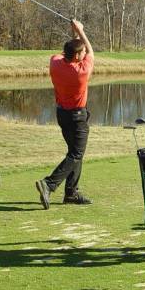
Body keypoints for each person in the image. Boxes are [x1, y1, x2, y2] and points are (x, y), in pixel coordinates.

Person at [36, 19, 94, 209]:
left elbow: (69, 52)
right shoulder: (82, 72)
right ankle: (49, 184)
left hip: (62, 115)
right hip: (77, 117)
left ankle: (71, 193)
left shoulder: (55, 63)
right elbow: (91, 52)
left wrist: (75, 35)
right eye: (82, 52)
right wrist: (81, 32)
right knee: (77, 153)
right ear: (77, 56)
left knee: (74, 153)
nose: (85, 53)